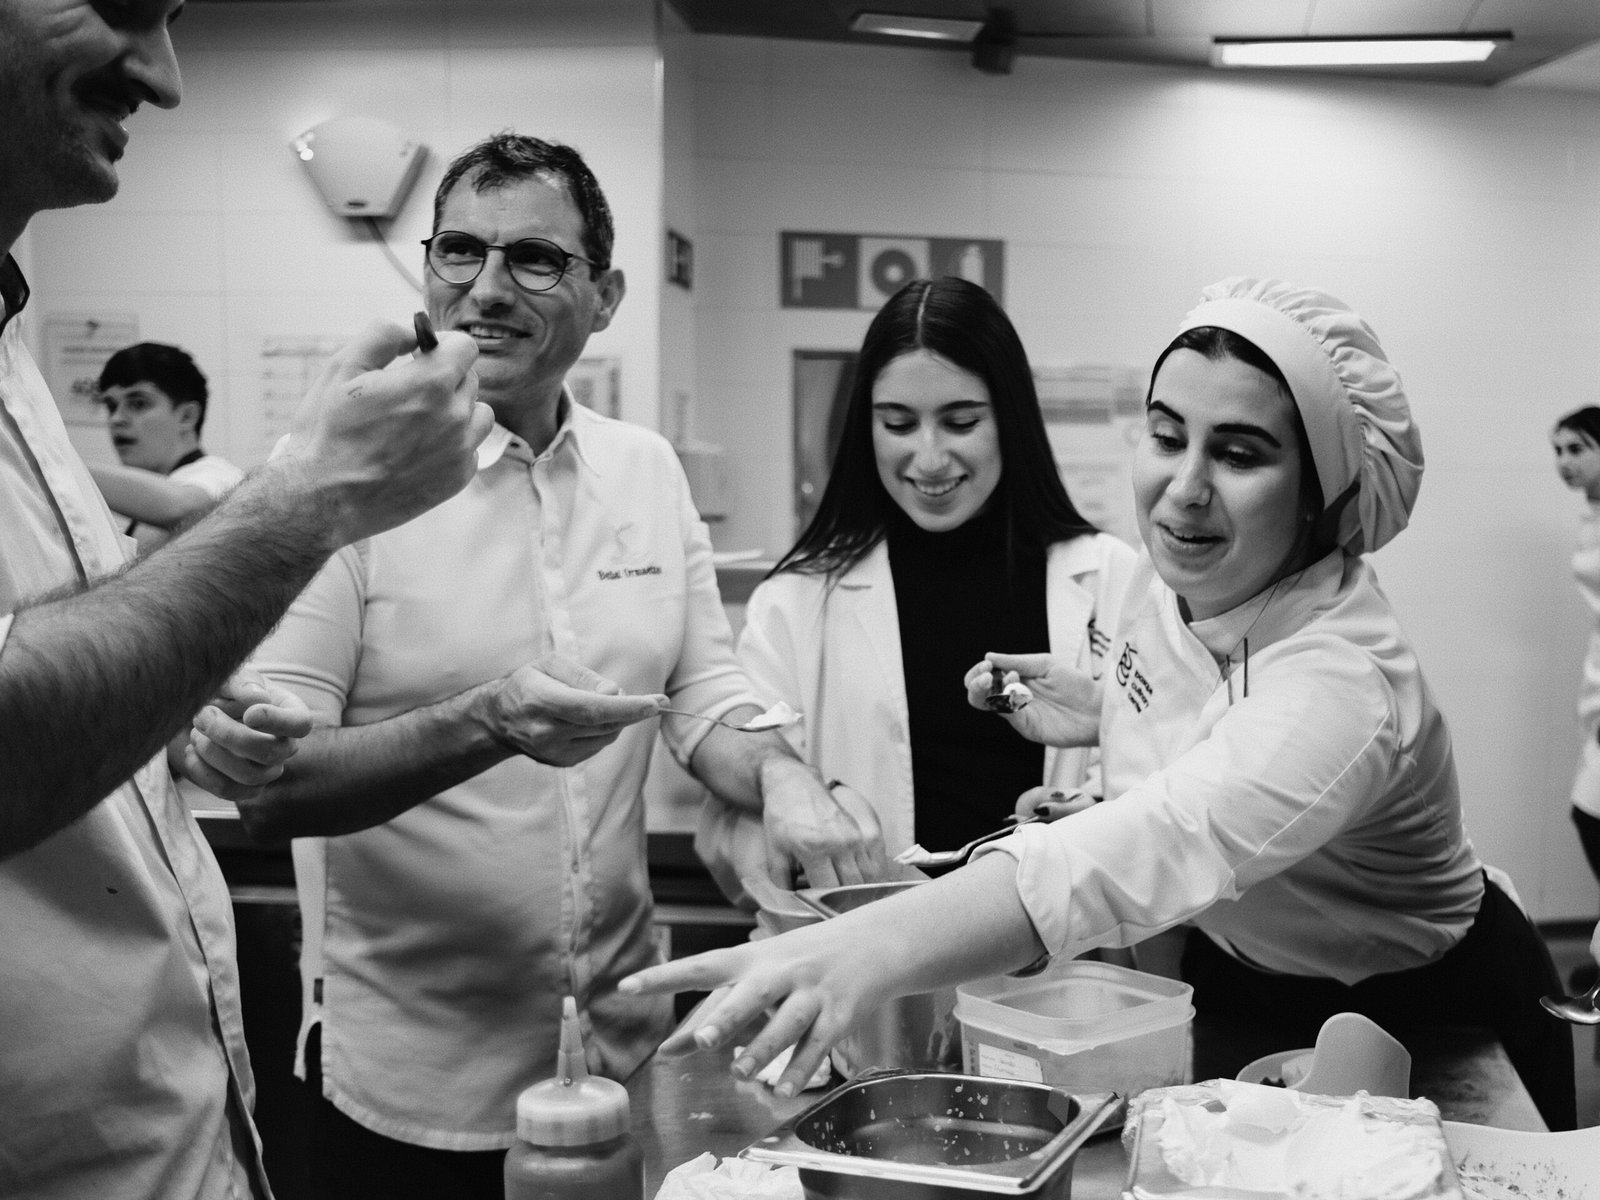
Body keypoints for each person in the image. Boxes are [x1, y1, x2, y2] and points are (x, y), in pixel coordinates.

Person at [620, 277, 1578, 1132]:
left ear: (1325, 491)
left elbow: (1155, 841)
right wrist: (1103, 717)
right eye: (1167, 437)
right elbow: (1187, 721)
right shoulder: (1189, 592)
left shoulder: (1342, 688)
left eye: (1240, 454)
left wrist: (856, 950)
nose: (1183, 490)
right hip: (1248, 990)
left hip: (1435, 1018)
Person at [242, 132, 883, 1200]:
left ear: (606, 294)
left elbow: (702, 691)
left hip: (620, 1053)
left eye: (534, 259)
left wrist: (782, 777)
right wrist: (485, 720)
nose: (487, 289)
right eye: (457, 252)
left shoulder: (643, 469)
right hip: (410, 1086)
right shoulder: (339, 478)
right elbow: (271, 789)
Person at [0, 4, 493, 1198]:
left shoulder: (9, 334)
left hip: (175, 1136)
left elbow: (48, 669)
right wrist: (317, 488)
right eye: (121, 1)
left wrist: (169, 706)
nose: (166, 80)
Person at [699, 276, 1136, 895]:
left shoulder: (1110, 578)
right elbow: (753, 784)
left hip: (1055, 960)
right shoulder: (798, 600)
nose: (928, 459)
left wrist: (1100, 814)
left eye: (960, 422)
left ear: (1009, 419)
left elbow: (1168, 778)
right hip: (868, 956)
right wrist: (761, 824)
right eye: (898, 424)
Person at [88, 340, 244, 553]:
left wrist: (61, 465)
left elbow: (188, 509)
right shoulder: (146, 502)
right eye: (111, 406)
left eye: (138, 403)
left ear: (187, 417)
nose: (116, 419)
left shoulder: (219, 476)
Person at [1552, 406, 1600, 990]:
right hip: (1596, 682)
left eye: (1577, 448)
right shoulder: (1591, 513)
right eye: (1558, 450)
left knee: (1589, 816)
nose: (1564, 462)